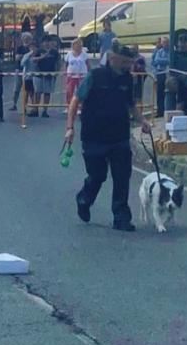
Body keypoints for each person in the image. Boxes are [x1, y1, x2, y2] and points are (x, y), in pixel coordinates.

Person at [64, 44, 151, 232]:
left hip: (119, 136)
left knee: (122, 177)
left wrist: (143, 121)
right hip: (93, 135)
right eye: (125, 62)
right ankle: (84, 199)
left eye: (130, 62)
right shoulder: (95, 76)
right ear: (113, 58)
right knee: (97, 175)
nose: (129, 66)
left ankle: (121, 217)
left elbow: (130, 105)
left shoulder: (128, 79)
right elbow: (76, 101)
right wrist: (70, 128)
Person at [33, 34, 60, 118]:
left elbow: (58, 63)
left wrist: (56, 72)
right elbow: (33, 60)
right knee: (38, 92)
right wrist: (42, 57)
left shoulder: (55, 52)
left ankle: (45, 111)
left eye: (48, 41)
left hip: (49, 75)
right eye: (45, 42)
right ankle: (35, 110)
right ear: (42, 43)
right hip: (39, 74)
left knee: (47, 93)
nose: (46, 43)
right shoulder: (39, 51)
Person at [63, 38, 89, 113]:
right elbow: (66, 64)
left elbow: (88, 64)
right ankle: (68, 107)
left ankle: (80, 108)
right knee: (69, 91)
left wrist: (89, 73)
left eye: (80, 45)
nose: (79, 46)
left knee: (81, 92)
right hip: (71, 76)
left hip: (82, 76)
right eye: (77, 45)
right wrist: (65, 72)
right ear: (73, 46)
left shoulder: (84, 54)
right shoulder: (69, 54)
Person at [11, 32, 33, 111]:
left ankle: (27, 106)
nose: (26, 40)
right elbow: (17, 58)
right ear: (22, 39)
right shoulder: (20, 48)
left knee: (28, 89)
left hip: (28, 71)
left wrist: (24, 56)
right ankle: (14, 104)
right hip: (19, 70)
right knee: (17, 88)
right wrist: (26, 56)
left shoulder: (32, 48)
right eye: (25, 38)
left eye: (28, 38)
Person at [151, 36, 170, 118]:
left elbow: (169, 60)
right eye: (163, 42)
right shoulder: (159, 51)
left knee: (168, 92)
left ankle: (168, 109)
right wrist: (164, 61)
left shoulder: (170, 51)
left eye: (165, 42)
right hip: (160, 73)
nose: (164, 44)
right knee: (160, 93)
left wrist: (162, 61)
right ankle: (160, 111)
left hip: (167, 73)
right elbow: (156, 60)